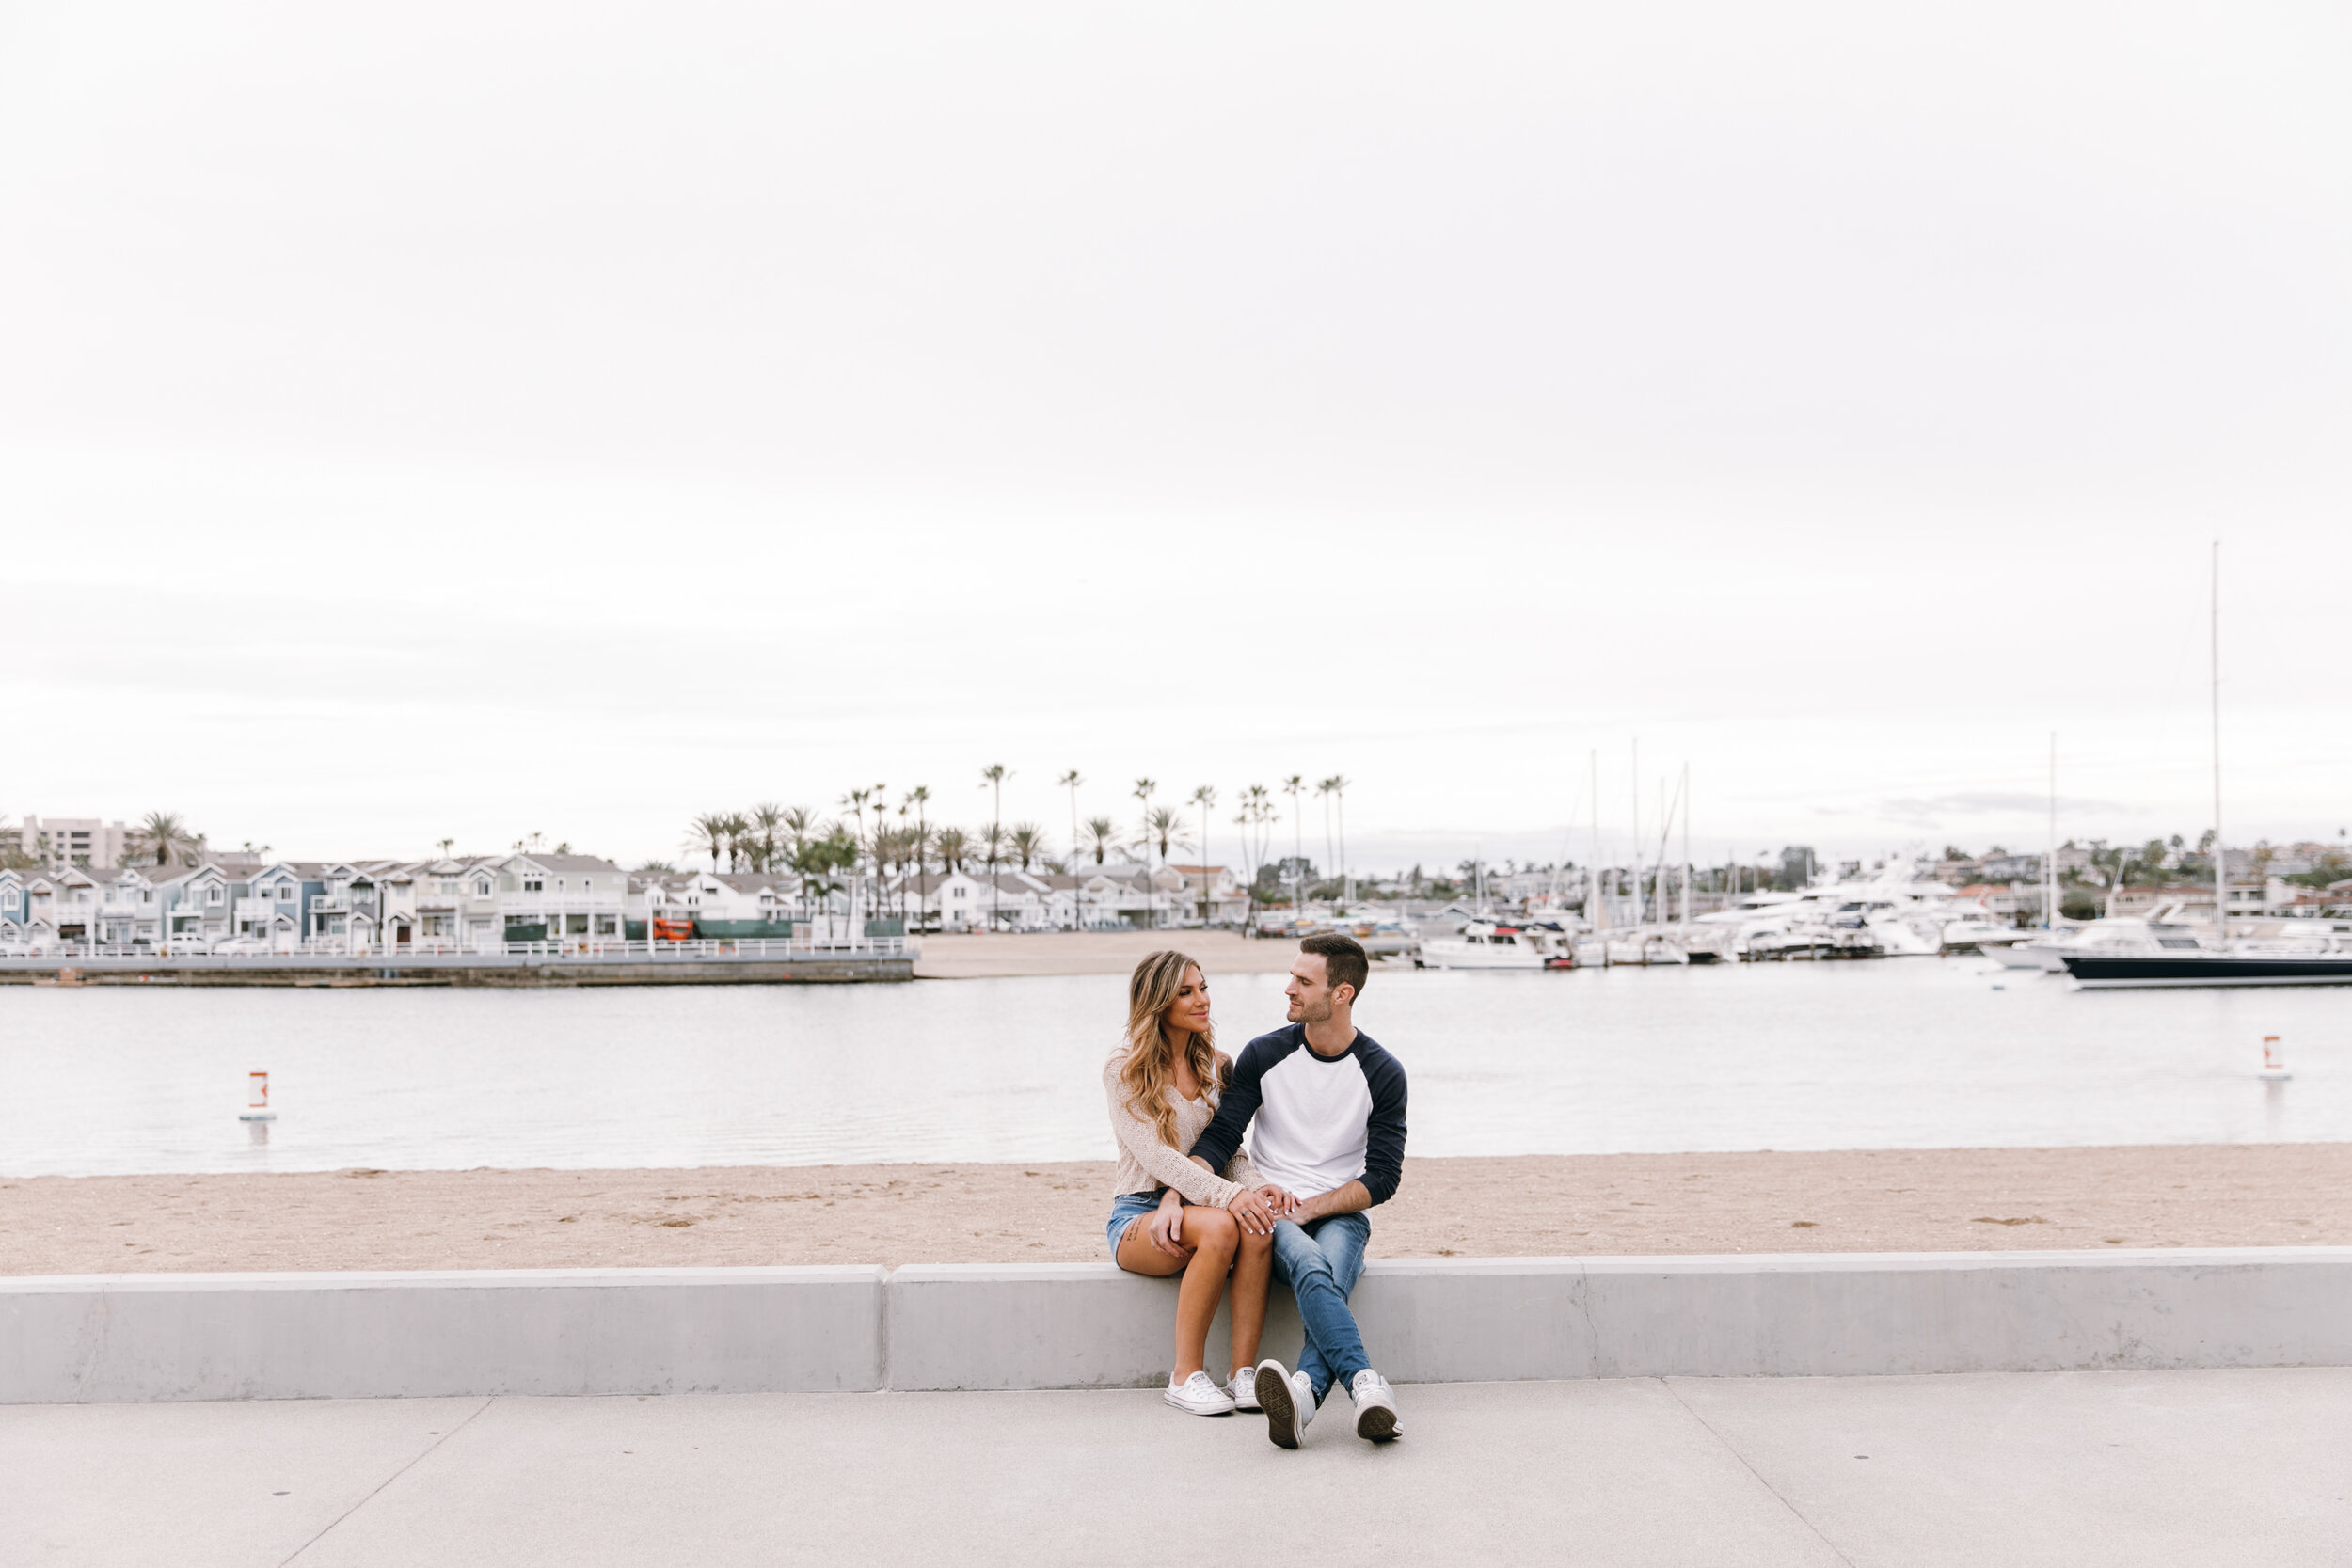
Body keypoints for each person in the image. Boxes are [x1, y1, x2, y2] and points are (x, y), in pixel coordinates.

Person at [1187, 932, 1407, 1447]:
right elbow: (1221, 1138)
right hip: (1272, 1211)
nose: (1288, 988)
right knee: (1313, 1266)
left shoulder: (1382, 1072)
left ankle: (1304, 1393)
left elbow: (1382, 1178)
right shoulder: (1264, 1055)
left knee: (1324, 1262)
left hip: (1338, 1213)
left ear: (1342, 994)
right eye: (1292, 976)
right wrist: (1181, 1189)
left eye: (1303, 981)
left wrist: (1312, 1209)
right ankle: (1365, 1385)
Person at [1104, 950, 1289, 1416]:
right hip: (1138, 1213)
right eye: (1186, 992)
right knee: (1225, 1225)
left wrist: (1255, 1185)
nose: (1201, 999)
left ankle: (1242, 1374)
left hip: (1198, 1202)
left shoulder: (1215, 1067)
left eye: (1203, 987)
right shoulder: (1124, 1068)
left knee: (1257, 1221)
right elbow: (1156, 1156)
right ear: (1158, 1002)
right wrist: (1229, 1196)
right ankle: (1184, 1376)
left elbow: (1228, 1150)